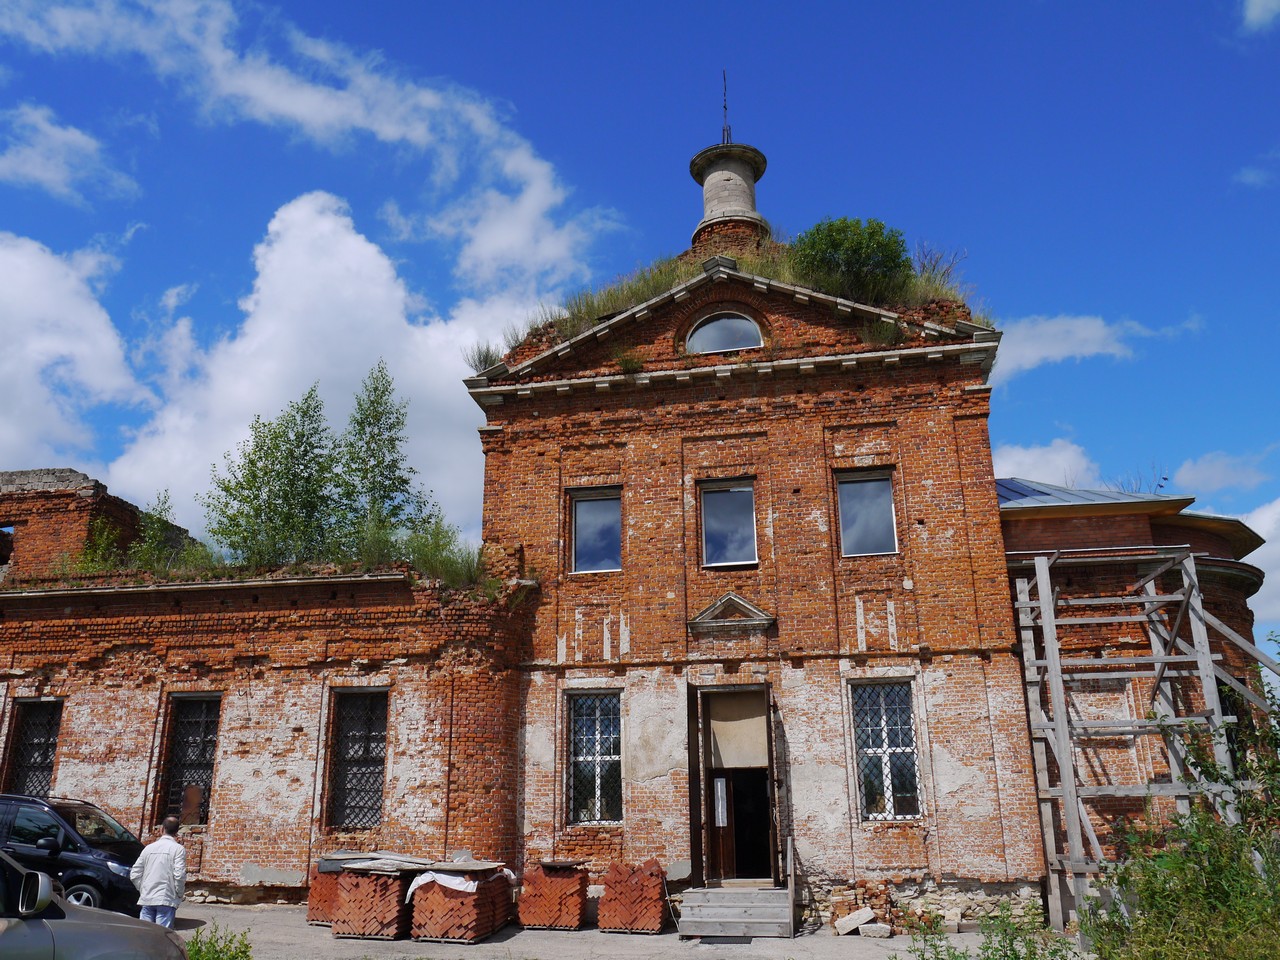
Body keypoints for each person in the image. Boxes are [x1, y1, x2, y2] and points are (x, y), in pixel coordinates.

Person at [130, 815, 186, 927]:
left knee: (144, 934)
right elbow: (179, 875)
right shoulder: (178, 849)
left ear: (161, 829)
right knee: (163, 937)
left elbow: (134, 874)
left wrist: (143, 889)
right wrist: (179, 893)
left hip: (147, 897)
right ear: (177, 832)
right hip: (166, 898)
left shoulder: (149, 848)